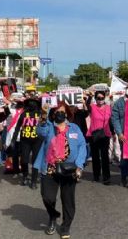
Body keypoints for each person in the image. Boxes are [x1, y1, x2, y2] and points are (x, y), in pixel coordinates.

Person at [34, 102, 87, 239]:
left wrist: (79, 166)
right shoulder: (49, 127)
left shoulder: (74, 128)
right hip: (50, 168)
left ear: (67, 113)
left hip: (69, 169)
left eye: (62, 111)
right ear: (53, 114)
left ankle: (65, 227)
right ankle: (52, 216)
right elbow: (40, 132)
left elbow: (82, 146)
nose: (60, 114)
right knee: (47, 197)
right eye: (57, 111)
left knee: (68, 200)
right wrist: (44, 117)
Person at [16, 98, 44, 188]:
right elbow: (17, 127)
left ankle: (33, 181)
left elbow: (46, 126)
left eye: (34, 102)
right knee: (24, 160)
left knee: (35, 160)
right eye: (30, 103)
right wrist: (13, 140)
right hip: (25, 140)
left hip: (37, 140)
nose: (32, 104)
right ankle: (25, 176)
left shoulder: (41, 114)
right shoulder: (23, 114)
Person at [87, 91, 112, 185]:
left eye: (102, 98)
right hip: (93, 134)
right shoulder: (92, 107)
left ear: (104, 98)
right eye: (98, 98)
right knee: (95, 156)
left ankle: (106, 177)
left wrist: (113, 133)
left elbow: (109, 119)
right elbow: (86, 105)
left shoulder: (108, 108)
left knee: (105, 157)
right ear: (95, 98)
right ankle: (96, 176)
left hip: (105, 135)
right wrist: (89, 96)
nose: (100, 100)